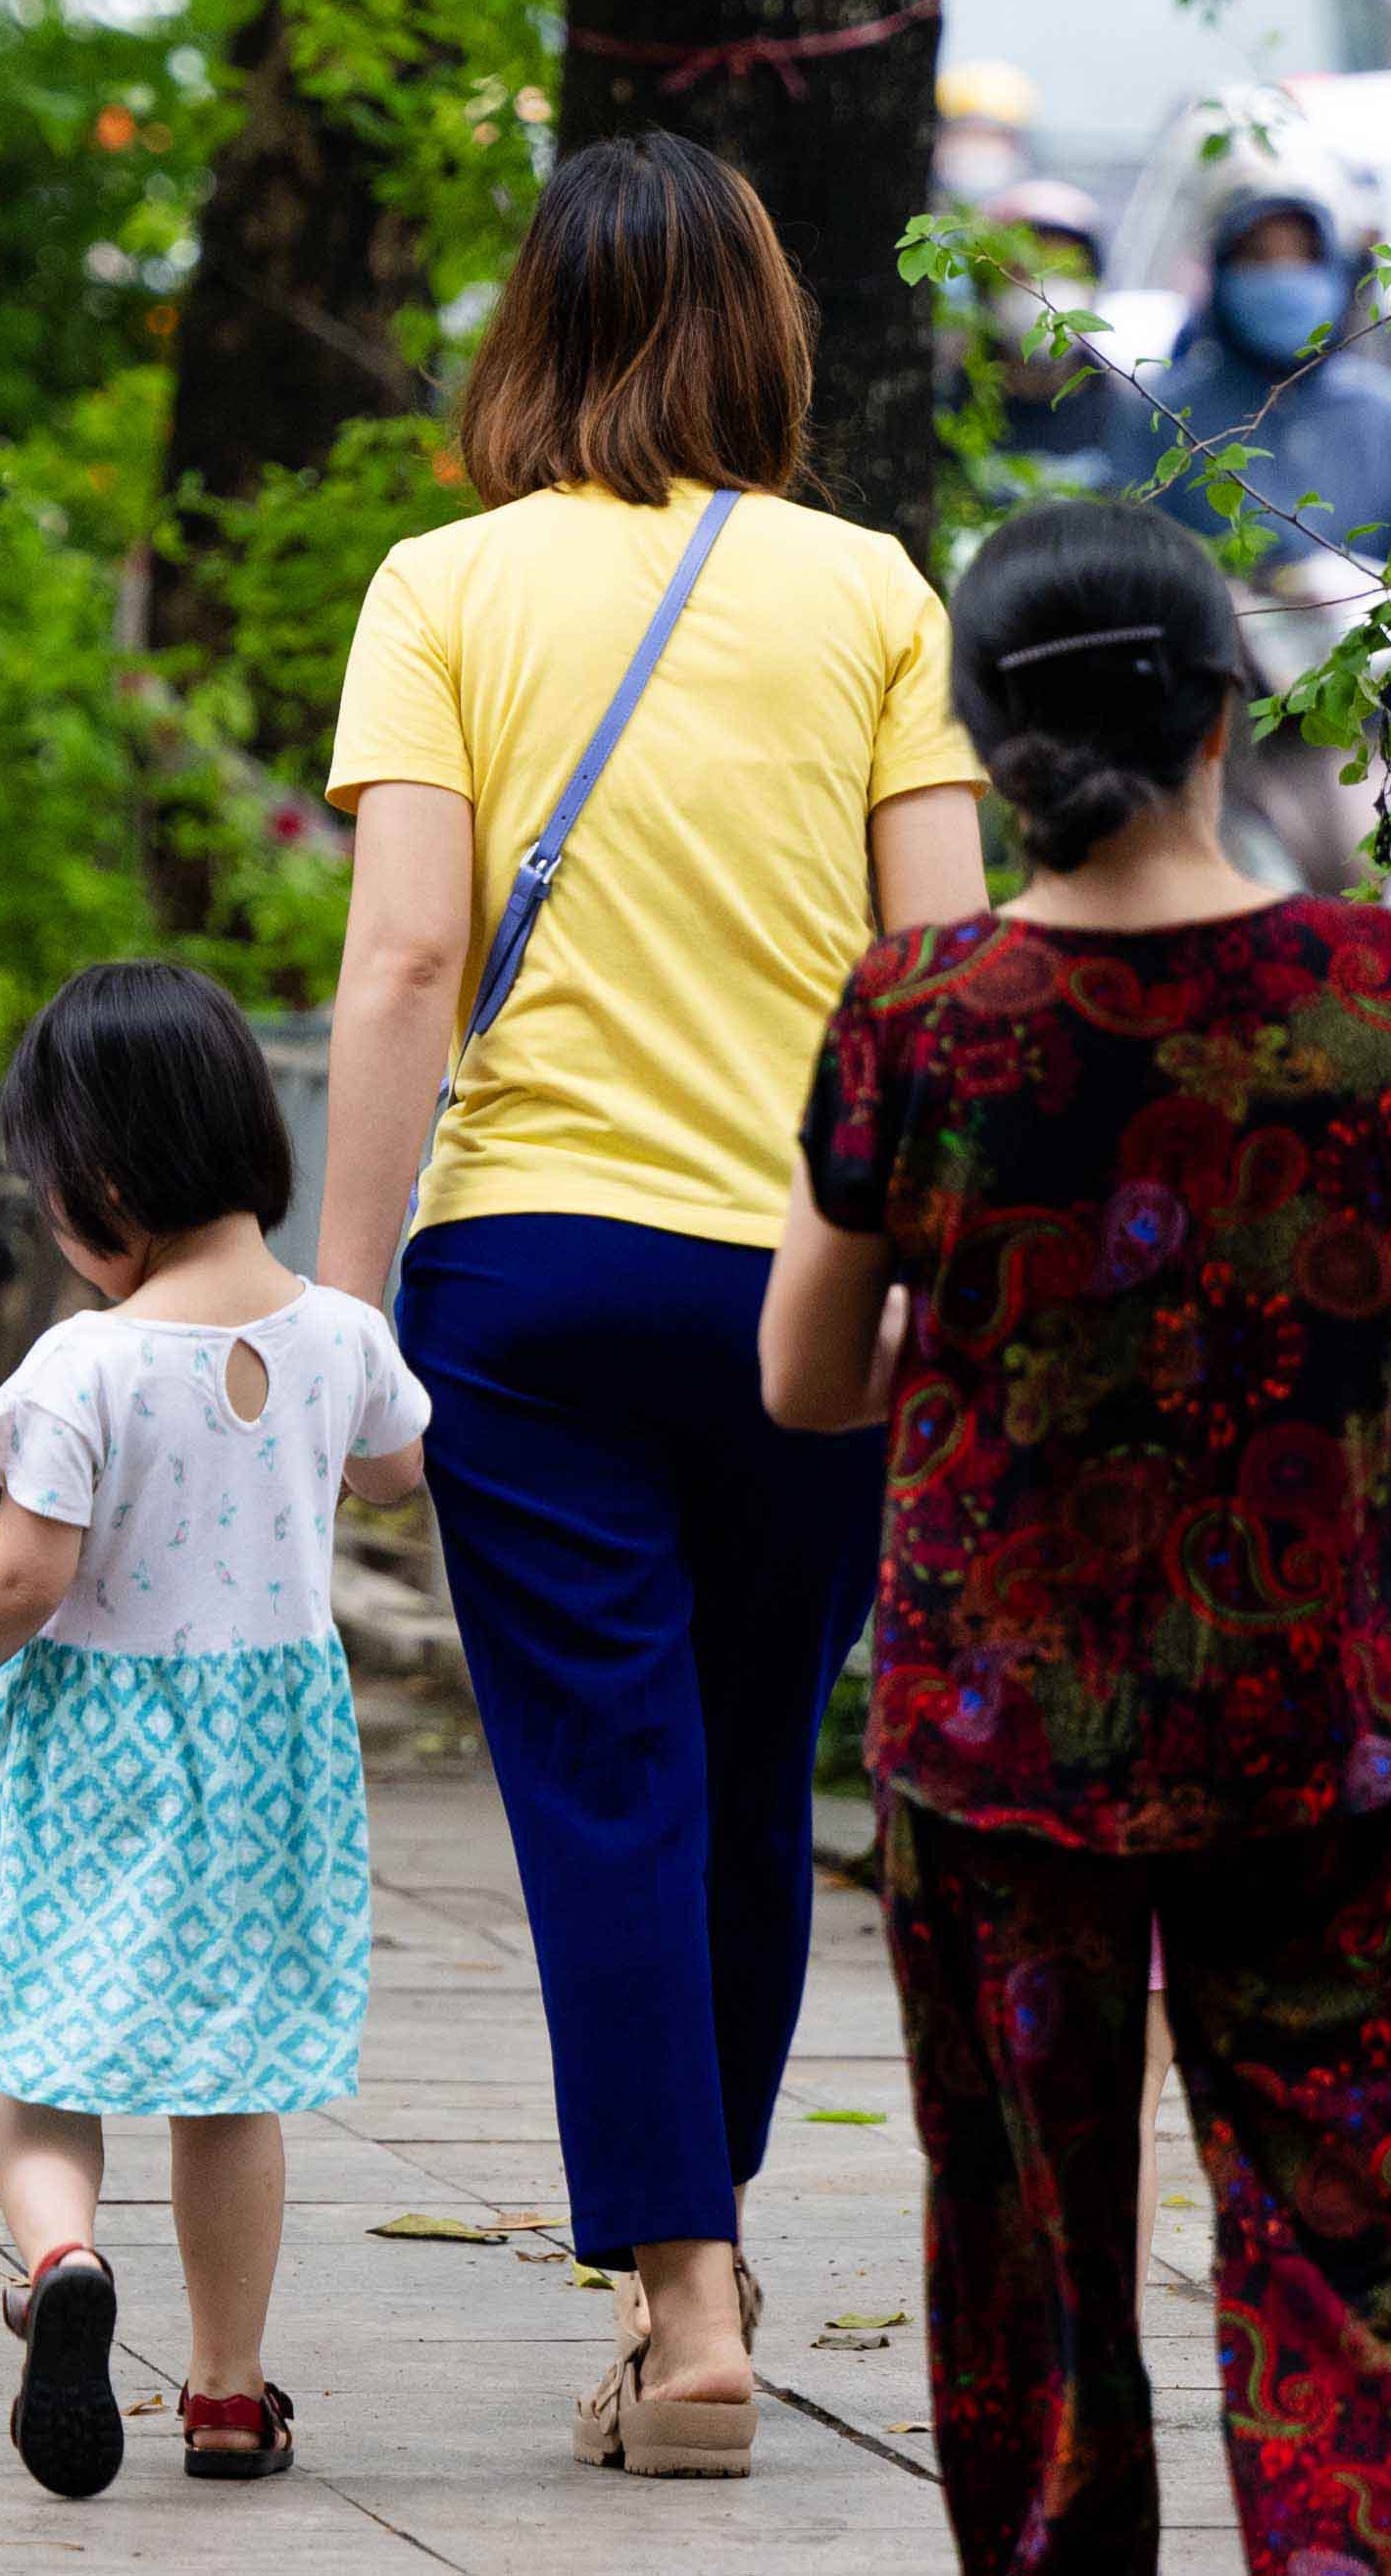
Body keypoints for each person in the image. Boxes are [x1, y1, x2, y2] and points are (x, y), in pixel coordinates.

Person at [309, 132, 990, 2473]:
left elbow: (403, 953)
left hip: (529, 1275)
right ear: (762, 335)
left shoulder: (438, 584)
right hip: (809, 1285)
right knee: (735, 1774)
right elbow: (942, 974)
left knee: (605, 1786)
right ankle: (702, 2272)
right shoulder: (870, 587)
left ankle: (680, 2296)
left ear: (530, 337)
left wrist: (335, 1308)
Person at [765, 501, 1391, 2576]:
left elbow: (803, 1380)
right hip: (1329, 1723)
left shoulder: (919, 1017)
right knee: (1355, 2234)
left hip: (1008, 1740)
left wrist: (969, 1323)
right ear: (1220, 713)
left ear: (989, 740)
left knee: (1026, 2250)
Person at [0, 960, 425, 2502]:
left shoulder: (82, 1367)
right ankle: (227, 2396)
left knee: (37, 2058)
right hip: (273, 1757)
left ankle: (64, 2258)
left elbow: (25, 1576)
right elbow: (393, 1475)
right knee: (230, 2081)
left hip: (101, 1749)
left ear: (100, 1176)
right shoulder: (339, 1335)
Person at [1136, 175, 1391, 571]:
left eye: (1305, 256)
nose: (1283, 276)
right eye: (1259, 257)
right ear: (1221, 276)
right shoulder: (1160, 417)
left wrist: (1363, 592)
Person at [951, 183, 1160, 498]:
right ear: (985, 287)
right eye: (1022, 271)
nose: (1045, 293)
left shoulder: (1131, 420)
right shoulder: (945, 414)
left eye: (1066, 271)